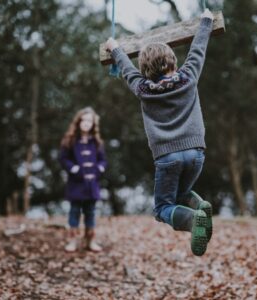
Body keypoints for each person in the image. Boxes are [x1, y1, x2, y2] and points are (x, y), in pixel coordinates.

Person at [105, 9, 214, 256]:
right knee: (182, 193)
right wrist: (206, 20)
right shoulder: (189, 77)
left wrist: (115, 48)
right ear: (173, 61)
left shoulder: (143, 88)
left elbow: (125, 68)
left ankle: (195, 219)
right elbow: (198, 48)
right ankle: (200, 206)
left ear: (146, 69)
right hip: (196, 153)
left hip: (168, 157)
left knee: (163, 208)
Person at [59, 107, 107, 252]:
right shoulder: (70, 140)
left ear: (93, 124)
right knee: (74, 212)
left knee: (90, 212)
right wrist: (74, 169)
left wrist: (99, 169)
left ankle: (90, 241)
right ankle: (72, 241)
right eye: (84, 120)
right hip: (76, 184)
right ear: (78, 122)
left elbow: (103, 160)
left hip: (92, 185)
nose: (86, 123)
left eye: (90, 121)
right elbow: (63, 158)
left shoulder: (97, 142)